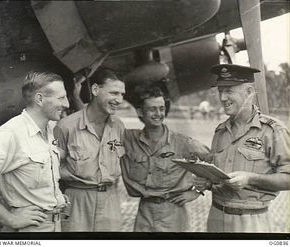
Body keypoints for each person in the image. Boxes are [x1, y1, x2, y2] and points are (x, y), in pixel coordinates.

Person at [193, 64, 290, 232]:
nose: (222, 98)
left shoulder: (273, 131)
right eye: (220, 91)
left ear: (249, 92)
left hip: (251, 221)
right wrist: (207, 182)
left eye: (229, 90)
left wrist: (251, 178)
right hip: (216, 216)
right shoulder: (221, 130)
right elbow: (221, 177)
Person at [0, 71, 70, 232]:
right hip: (31, 230)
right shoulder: (12, 133)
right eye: (61, 98)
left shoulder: (48, 130)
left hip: (54, 224)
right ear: (39, 99)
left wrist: (55, 198)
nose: (66, 104)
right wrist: (11, 219)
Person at [120, 86, 209, 232]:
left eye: (161, 108)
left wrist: (198, 191)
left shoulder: (183, 142)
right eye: (152, 109)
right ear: (140, 111)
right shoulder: (129, 139)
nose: (158, 114)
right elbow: (102, 129)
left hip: (173, 212)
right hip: (145, 211)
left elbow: (215, 161)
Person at [54, 67, 126, 231]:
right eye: (114, 93)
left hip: (110, 201)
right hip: (76, 201)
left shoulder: (119, 126)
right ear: (95, 89)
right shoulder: (66, 127)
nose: (119, 100)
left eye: (122, 94)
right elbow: (52, 170)